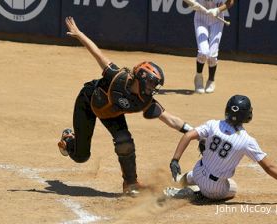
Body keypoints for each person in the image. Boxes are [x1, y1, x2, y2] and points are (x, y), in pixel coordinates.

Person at [57, 17, 194, 195]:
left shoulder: (144, 99)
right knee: (82, 156)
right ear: (142, 79)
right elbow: (97, 53)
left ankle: (130, 184)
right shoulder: (116, 77)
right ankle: (68, 139)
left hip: (112, 113)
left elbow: (169, 118)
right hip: (89, 102)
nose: (153, 89)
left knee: (125, 142)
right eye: (152, 84)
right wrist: (79, 34)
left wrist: (195, 132)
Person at [169, 95, 277, 200]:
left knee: (194, 174)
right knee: (233, 187)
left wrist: (175, 160)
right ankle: (193, 192)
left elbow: (187, 135)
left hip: (198, 170)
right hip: (214, 188)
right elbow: (269, 167)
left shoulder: (213, 124)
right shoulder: (247, 141)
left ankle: (183, 181)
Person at [192, 0, 235, 94]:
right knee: (203, 52)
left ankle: (211, 80)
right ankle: (198, 77)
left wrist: (218, 10)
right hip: (200, 18)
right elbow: (184, 2)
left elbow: (231, 2)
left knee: (212, 54)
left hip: (217, 19)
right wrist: (191, 4)